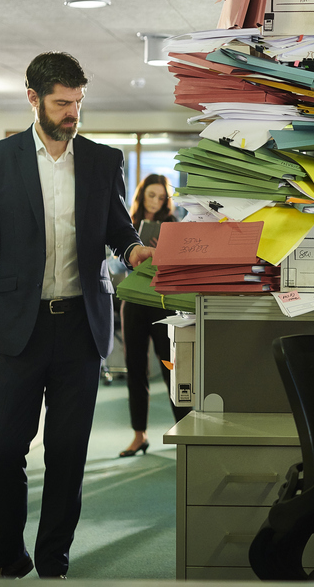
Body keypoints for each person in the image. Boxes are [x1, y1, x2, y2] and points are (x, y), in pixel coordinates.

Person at [0, 52, 153, 583]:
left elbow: (119, 228)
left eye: (78, 103)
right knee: (3, 449)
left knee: (67, 454)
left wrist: (135, 250)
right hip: (17, 327)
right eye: (62, 103)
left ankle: (52, 562)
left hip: (79, 327)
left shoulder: (101, 160)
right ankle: (8, 557)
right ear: (34, 99)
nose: (73, 113)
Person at [119, 174, 190, 457]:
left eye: (161, 197)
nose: (156, 201)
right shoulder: (126, 226)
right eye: (152, 195)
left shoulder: (173, 226)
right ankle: (139, 436)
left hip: (163, 303)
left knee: (171, 369)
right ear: (142, 195)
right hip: (133, 302)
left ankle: (185, 435)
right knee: (135, 371)